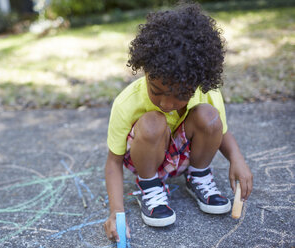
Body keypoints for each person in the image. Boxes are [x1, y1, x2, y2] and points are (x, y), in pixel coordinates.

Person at [103, 3, 253, 242]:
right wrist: (116, 211)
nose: (166, 103)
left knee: (209, 115)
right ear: (145, 71)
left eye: (182, 95)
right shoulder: (127, 103)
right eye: (156, 90)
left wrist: (237, 159)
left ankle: (199, 176)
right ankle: (149, 186)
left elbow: (222, 132)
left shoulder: (208, 94)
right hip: (146, 158)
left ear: (198, 83)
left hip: (185, 157)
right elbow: (114, 161)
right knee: (154, 121)